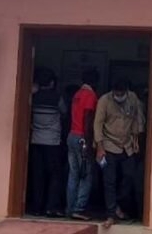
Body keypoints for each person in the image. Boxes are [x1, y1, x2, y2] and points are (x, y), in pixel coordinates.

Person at [94, 77, 145, 224]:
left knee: (130, 176)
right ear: (113, 91)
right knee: (109, 180)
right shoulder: (104, 101)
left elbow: (135, 119)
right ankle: (111, 214)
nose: (119, 96)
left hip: (127, 146)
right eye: (117, 93)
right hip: (109, 145)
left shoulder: (133, 98)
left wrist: (135, 139)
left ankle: (117, 203)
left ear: (127, 91)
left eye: (122, 94)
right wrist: (99, 147)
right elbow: (98, 124)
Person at [29, 67, 66, 217]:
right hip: (52, 142)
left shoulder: (33, 97)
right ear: (52, 82)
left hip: (36, 141)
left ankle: (36, 208)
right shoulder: (57, 98)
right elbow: (64, 112)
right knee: (55, 176)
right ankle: (51, 207)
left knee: (38, 176)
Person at [66, 68, 99, 220]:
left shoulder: (77, 94)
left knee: (73, 174)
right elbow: (87, 119)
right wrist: (88, 141)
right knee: (86, 174)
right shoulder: (90, 95)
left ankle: (70, 208)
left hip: (72, 135)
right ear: (94, 81)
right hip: (82, 137)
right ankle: (79, 209)